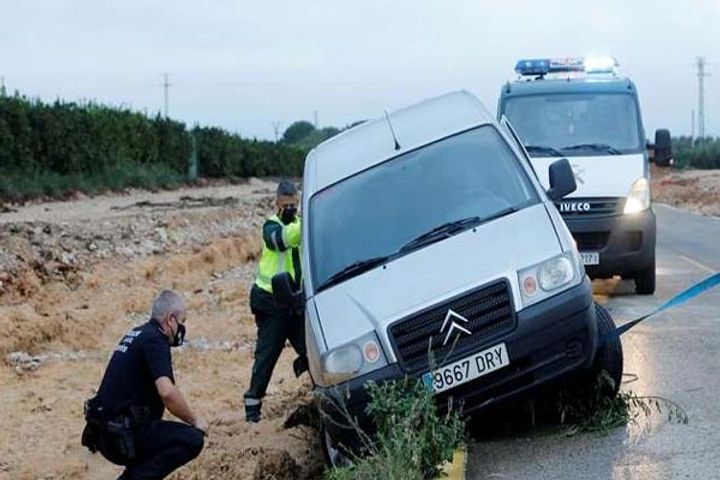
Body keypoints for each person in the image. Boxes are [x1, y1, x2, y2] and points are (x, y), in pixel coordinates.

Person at [81, 290, 207, 480]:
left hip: (104, 431)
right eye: (182, 321)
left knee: (156, 440)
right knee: (192, 439)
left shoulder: (137, 333)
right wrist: (195, 421)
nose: (182, 328)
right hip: (121, 436)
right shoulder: (156, 340)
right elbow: (167, 392)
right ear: (170, 319)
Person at [244, 180, 307, 423]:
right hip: (270, 302)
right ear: (277, 204)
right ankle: (252, 407)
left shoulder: (300, 225)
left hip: (294, 301)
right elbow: (281, 240)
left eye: (294, 205)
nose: (290, 210)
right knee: (267, 356)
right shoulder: (270, 226)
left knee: (310, 349)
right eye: (286, 206)